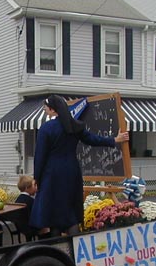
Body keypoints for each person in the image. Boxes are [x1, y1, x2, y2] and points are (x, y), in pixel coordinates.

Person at [30, 94, 129, 237]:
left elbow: (40, 155)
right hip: (72, 171)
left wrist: (36, 177)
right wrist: (114, 139)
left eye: (46, 107)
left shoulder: (46, 128)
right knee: (69, 210)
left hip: (52, 174)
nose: (45, 110)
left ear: (52, 110)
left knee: (54, 213)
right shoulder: (75, 125)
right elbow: (93, 139)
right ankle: (76, 246)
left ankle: (58, 248)